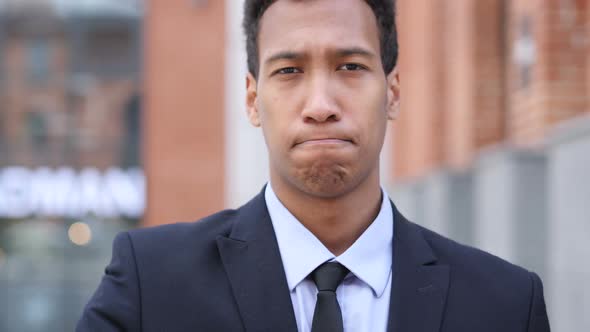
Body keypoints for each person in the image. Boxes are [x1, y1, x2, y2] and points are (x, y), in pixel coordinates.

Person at [77, 0, 551, 331]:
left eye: (350, 67)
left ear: (393, 92)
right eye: (289, 71)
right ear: (252, 98)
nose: (321, 104)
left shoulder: (505, 304)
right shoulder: (151, 285)